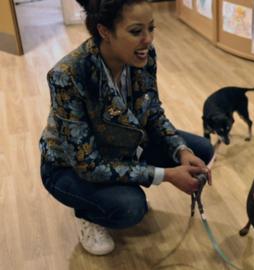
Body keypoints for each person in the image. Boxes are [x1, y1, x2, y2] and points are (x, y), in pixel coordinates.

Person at [39, 0, 213, 256]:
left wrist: (182, 152)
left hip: (122, 145)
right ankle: (88, 213)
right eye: (136, 31)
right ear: (105, 32)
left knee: (200, 149)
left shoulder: (143, 56)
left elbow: (152, 112)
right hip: (69, 168)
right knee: (130, 207)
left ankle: (117, 188)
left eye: (151, 28)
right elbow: (88, 165)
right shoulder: (68, 75)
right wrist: (164, 174)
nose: (148, 39)